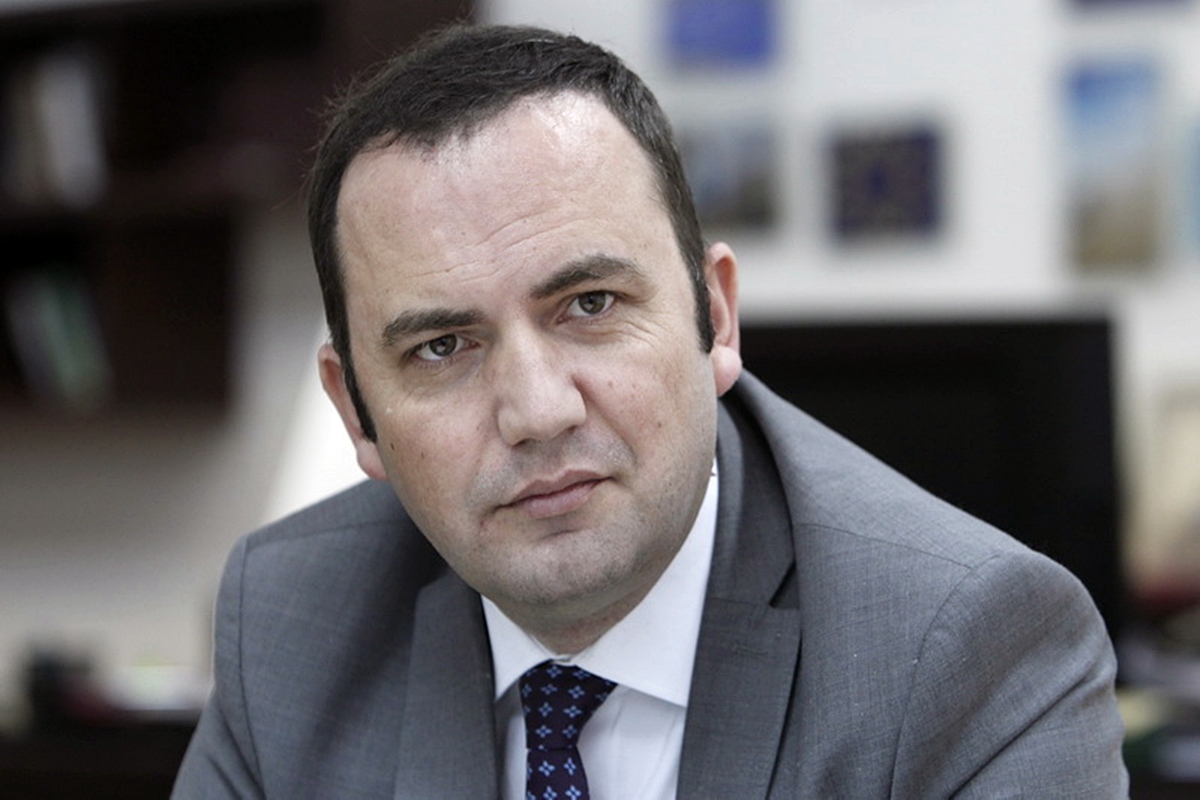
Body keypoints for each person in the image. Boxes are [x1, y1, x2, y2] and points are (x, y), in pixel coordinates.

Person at [173, 23, 1127, 798]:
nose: (538, 411)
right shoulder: (290, 618)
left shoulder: (973, 651)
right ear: (356, 411)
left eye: (589, 304)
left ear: (717, 318)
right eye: (442, 347)